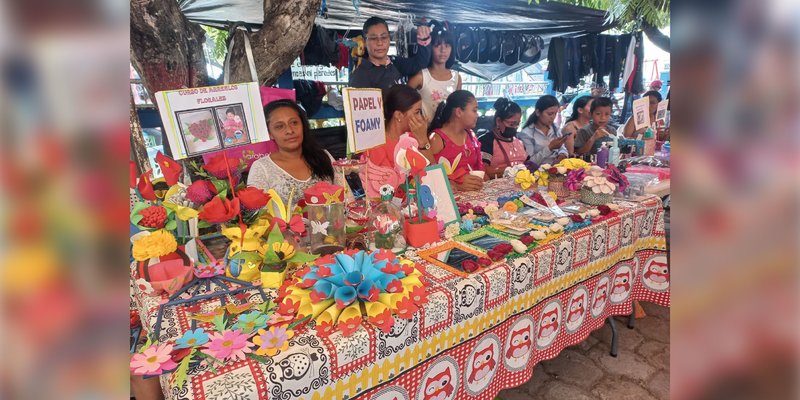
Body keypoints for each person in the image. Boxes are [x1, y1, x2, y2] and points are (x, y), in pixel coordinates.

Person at [248, 100, 337, 208]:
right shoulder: (261, 168)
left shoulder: (324, 156)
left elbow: (347, 198)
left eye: (294, 123)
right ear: (270, 133)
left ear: (303, 125)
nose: (289, 130)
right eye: (279, 126)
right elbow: (258, 217)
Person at [360, 84, 433, 198]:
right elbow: (381, 195)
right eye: (417, 112)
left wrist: (423, 141)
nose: (421, 118)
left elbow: (434, 175)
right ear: (399, 115)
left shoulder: (413, 138)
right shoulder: (376, 146)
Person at [348, 17, 432, 92]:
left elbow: (420, 62)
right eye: (373, 38)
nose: (380, 43)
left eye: (384, 37)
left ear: (389, 38)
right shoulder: (360, 75)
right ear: (365, 42)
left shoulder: (395, 63)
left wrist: (423, 40)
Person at [428, 90, 485, 192]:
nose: (477, 115)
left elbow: (479, 167)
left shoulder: (471, 135)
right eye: (474, 110)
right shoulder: (437, 139)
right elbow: (430, 175)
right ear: (459, 112)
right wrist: (456, 185)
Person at [407, 27, 462, 121]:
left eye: (447, 45)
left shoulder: (457, 78)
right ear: (430, 47)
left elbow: (457, 108)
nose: (443, 50)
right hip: (424, 131)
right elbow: (404, 102)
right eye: (437, 45)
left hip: (446, 133)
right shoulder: (421, 77)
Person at [478, 98, 527, 179]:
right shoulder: (487, 141)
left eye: (517, 124)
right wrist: (511, 170)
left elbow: (527, 162)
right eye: (511, 124)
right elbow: (484, 170)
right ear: (498, 121)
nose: (515, 127)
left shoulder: (518, 141)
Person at [518, 95, 569, 165]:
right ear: (538, 112)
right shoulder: (526, 133)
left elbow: (562, 147)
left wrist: (562, 154)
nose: (553, 117)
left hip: (557, 168)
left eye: (555, 114)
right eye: (550, 114)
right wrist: (550, 148)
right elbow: (529, 162)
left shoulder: (555, 127)